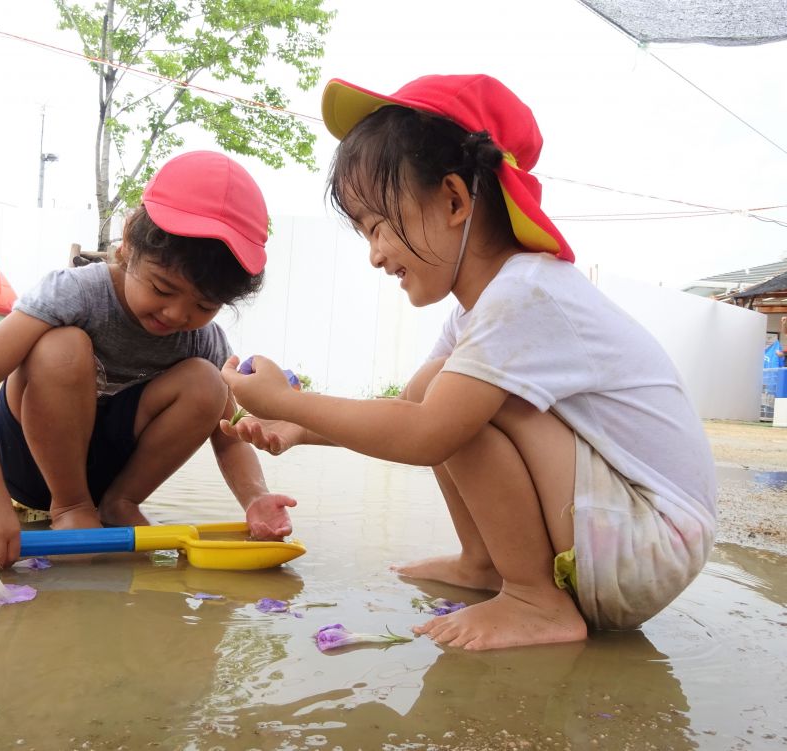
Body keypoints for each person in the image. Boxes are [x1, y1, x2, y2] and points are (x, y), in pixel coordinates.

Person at [220, 75, 716, 650]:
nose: (376, 255)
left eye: (378, 226)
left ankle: (535, 599)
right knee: (438, 388)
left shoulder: (524, 294)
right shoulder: (486, 307)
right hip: (625, 537)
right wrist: (301, 426)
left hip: (646, 544)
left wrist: (286, 399)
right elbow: (411, 410)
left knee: (451, 402)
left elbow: (427, 433)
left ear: (455, 200)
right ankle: (487, 563)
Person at [0, 150, 297, 569]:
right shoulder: (76, 293)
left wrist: (255, 497)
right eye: (163, 289)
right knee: (61, 348)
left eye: (204, 305)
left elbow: (227, 434)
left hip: (108, 468)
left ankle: (118, 503)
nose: (178, 315)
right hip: (28, 462)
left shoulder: (201, 340)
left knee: (209, 382)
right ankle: (71, 506)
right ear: (129, 245)